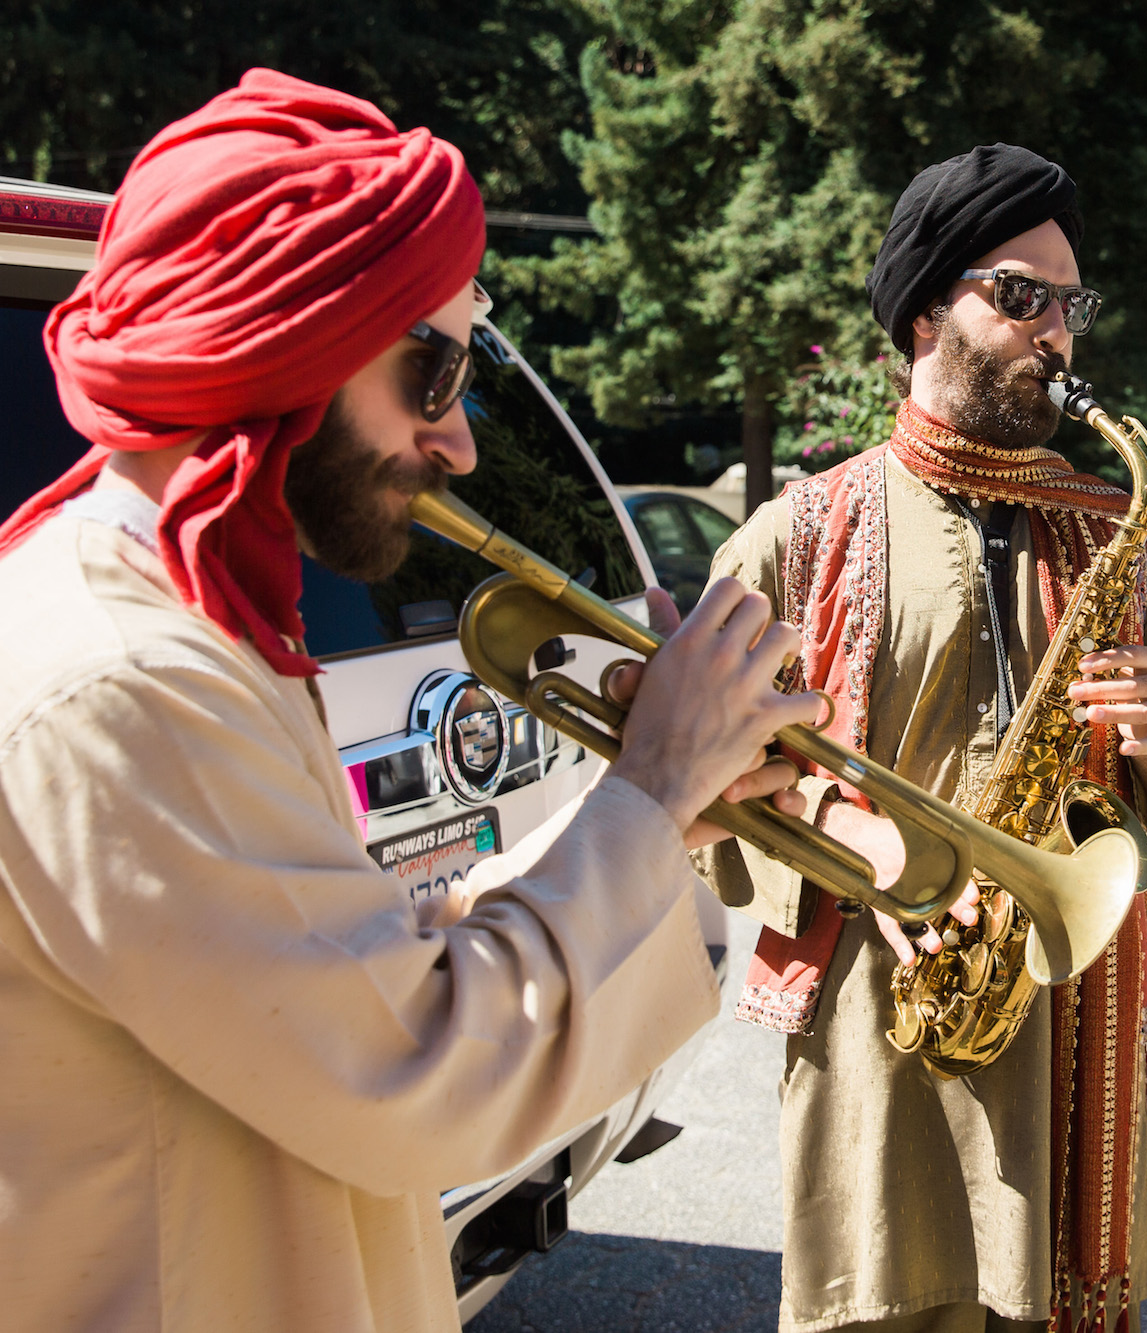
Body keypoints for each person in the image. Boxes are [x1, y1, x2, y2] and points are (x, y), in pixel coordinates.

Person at [0, 70, 820, 1332]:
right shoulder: (126, 678)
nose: (461, 443)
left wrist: (674, 813)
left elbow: (362, 965)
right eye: (431, 374)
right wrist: (650, 792)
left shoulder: (187, 623)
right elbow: (416, 1065)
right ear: (284, 345)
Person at [693, 144, 1147, 1333]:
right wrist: (868, 854)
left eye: (1070, 304)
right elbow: (702, 799)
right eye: (1018, 295)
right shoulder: (789, 540)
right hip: (878, 1051)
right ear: (921, 314)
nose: (1055, 331)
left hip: (1081, 1050)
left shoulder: (1130, 539)